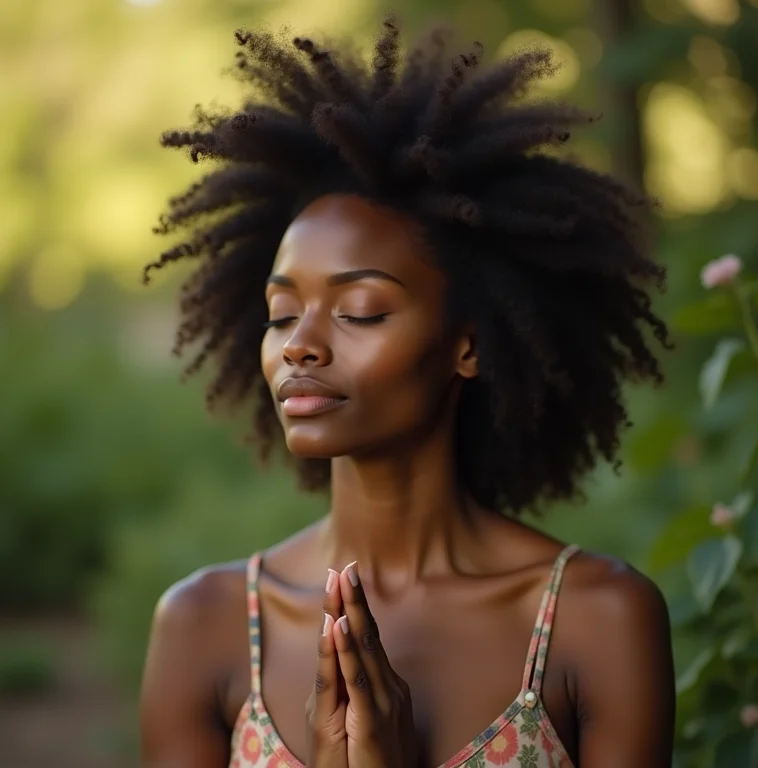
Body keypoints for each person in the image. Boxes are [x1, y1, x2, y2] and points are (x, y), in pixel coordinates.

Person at [139, 15, 677, 768]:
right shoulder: (204, 624)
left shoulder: (598, 619)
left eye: (359, 311)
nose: (300, 344)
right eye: (281, 314)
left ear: (469, 343)